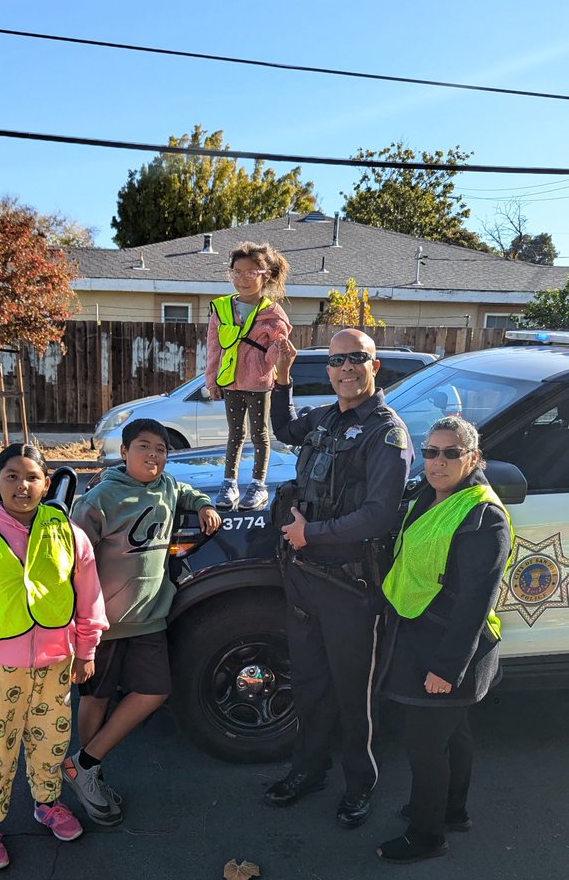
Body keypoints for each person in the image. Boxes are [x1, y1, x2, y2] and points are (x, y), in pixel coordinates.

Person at [265, 328, 413, 825]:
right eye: (336, 360)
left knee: (355, 695)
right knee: (309, 685)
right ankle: (309, 771)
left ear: (375, 366)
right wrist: (282, 379)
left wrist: (313, 533)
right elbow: (283, 429)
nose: (345, 368)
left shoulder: (386, 433)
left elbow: (377, 516)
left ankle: (359, 786)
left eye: (356, 358)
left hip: (351, 587)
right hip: (306, 580)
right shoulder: (327, 418)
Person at [0, 443, 108, 872]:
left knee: (50, 741)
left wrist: (85, 651)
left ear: (46, 484)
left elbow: (88, 599)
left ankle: (47, 803)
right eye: (11, 476)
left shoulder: (68, 532)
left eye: (32, 477)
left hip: (56, 661)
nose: (22, 485)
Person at [67, 418, 221, 822]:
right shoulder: (99, 500)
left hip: (151, 618)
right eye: (144, 446)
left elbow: (186, 491)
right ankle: (91, 772)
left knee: (154, 691)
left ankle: (82, 763)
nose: (153, 455)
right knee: (96, 697)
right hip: (106, 625)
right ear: (125, 451)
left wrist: (203, 504)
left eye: (161, 449)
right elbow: (71, 561)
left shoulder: (168, 487)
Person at [376, 417, 513, 863]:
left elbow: (476, 601)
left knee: (426, 744)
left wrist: (446, 668)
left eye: (450, 453)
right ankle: (453, 811)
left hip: (449, 650)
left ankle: (426, 834)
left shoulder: (483, 516)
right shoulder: (430, 494)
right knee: (455, 735)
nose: (437, 461)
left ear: (473, 458)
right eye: (431, 451)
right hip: (423, 634)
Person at [206, 241, 291, 511]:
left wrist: (278, 352)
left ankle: (258, 484)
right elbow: (213, 348)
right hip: (230, 381)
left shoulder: (273, 313)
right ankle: (229, 483)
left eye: (251, 273)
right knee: (235, 434)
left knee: (259, 435)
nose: (243, 279)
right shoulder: (220, 309)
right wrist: (212, 381)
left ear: (265, 275)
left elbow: (271, 359)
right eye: (237, 272)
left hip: (259, 384)